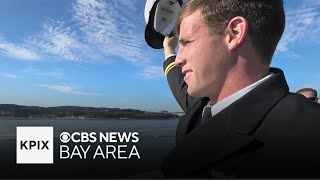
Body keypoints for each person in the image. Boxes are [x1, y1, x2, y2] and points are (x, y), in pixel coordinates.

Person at [161, 0, 320, 178]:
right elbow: (179, 83)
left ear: (234, 33)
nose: (178, 59)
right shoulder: (201, 110)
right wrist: (168, 50)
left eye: (187, 42)